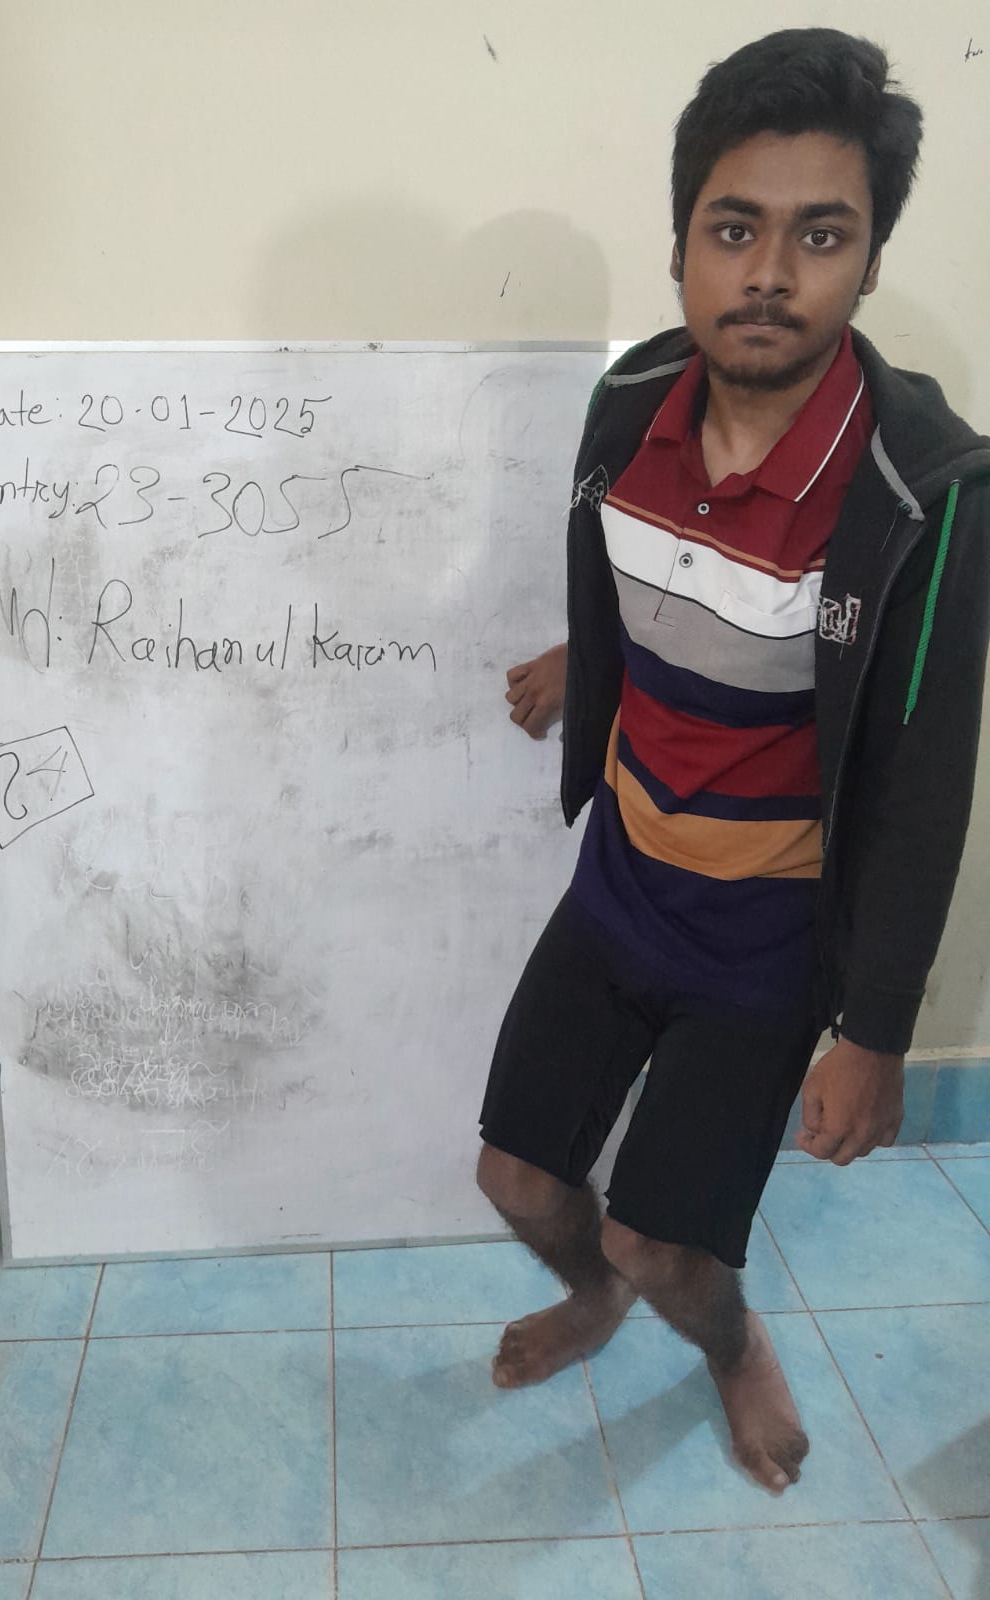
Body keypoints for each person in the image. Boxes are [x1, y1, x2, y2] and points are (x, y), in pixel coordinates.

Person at [477, 27, 990, 1496]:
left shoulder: (925, 490)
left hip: (767, 940)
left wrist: (876, 1034)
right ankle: (593, 1299)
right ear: (682, 244)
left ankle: (726, 1340)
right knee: (518, 1178)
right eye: (734, 229)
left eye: (819, 235)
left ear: (870, 262)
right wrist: (589, 661)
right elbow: (638, 571)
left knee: (668, 1246)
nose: (769, 273)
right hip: (622, 884)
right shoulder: (628, 406)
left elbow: (924, 784)